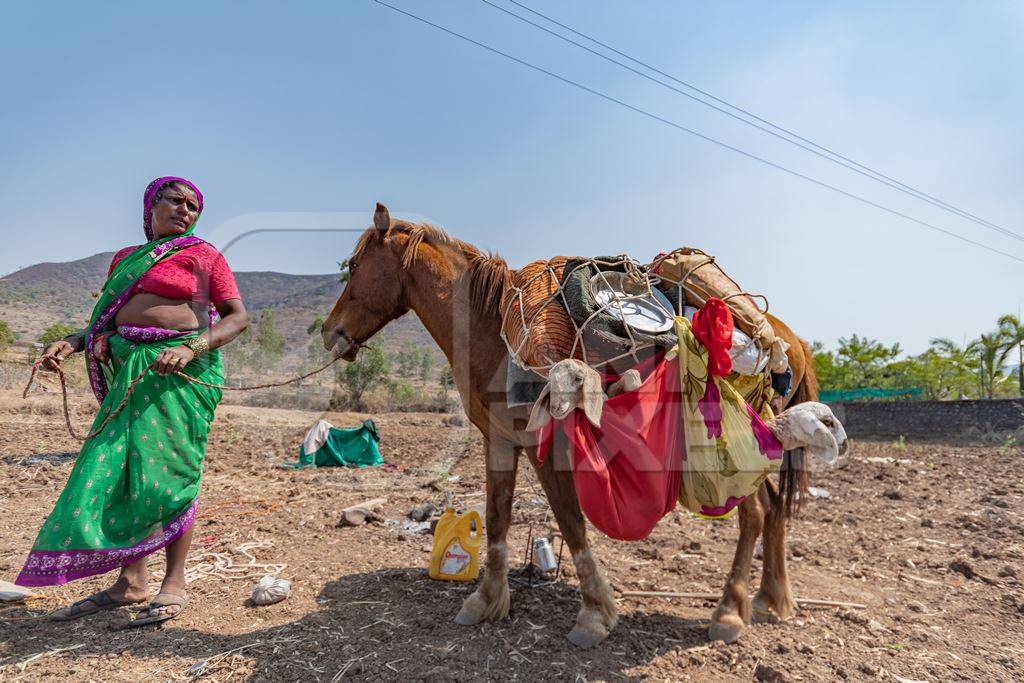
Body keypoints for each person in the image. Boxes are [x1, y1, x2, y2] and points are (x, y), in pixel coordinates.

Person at [16, 177, 249, 626]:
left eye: (194, 206)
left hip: (181, 372)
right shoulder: (126, 259)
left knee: (171, 472)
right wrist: (75, 340)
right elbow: (107, 319)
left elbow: (238, 318)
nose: (186, 210)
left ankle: (174, 581)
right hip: (132, 372)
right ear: (151, 205)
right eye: (176, 201)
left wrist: (191, 348)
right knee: (123, 472)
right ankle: (131, 583)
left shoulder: (205, 255)